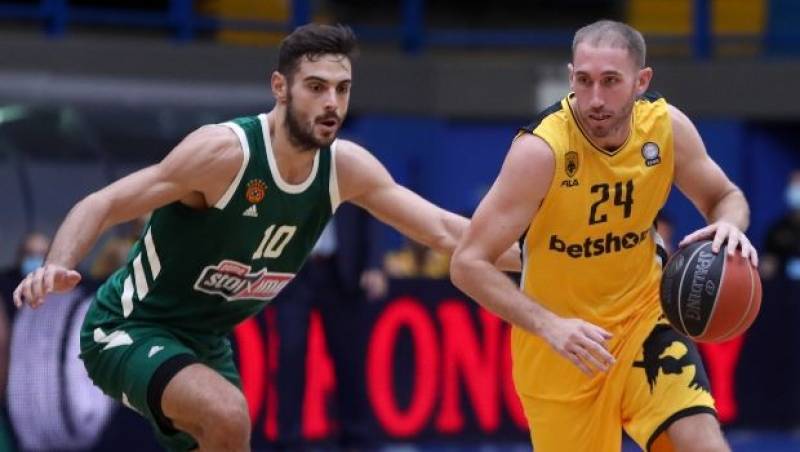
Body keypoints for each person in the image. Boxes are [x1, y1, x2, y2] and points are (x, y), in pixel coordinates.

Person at [13, 24, 519, 452]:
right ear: (280, 87)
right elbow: (101, 203)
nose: (332, 103)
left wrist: (542, 258)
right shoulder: (224, 155)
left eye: (342, 89)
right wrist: (56, 263)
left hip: (206, 342)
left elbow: (445, 229)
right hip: (129, 326)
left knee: (229, 431)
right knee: (229, 414)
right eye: (316, 87)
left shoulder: (346, 167)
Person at [451, 20, 758, 452]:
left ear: (641, 81)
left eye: (610, 81)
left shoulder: (665, 129)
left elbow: (726, 196)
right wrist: (550, 325)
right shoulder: (541, 151)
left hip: (644, 322)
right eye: (583, 80)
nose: (595, 98)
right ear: (570, 76)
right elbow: (467, 263)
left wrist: (729, 224)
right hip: (562, 350)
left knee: (702, 443)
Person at [273, 203, 387, 451]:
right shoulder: (282, 173)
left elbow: (373, 206)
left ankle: (356, 438)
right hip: (292, 270)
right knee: (290, 354)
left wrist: (374, 264)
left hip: (341, 269)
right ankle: (288, 440)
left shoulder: (351, 171)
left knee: (349, 357)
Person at [762, 170, 800, 281]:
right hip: (784, 287)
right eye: (794, 185)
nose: (797, 190)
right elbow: (768, 263)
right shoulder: (777, 229)